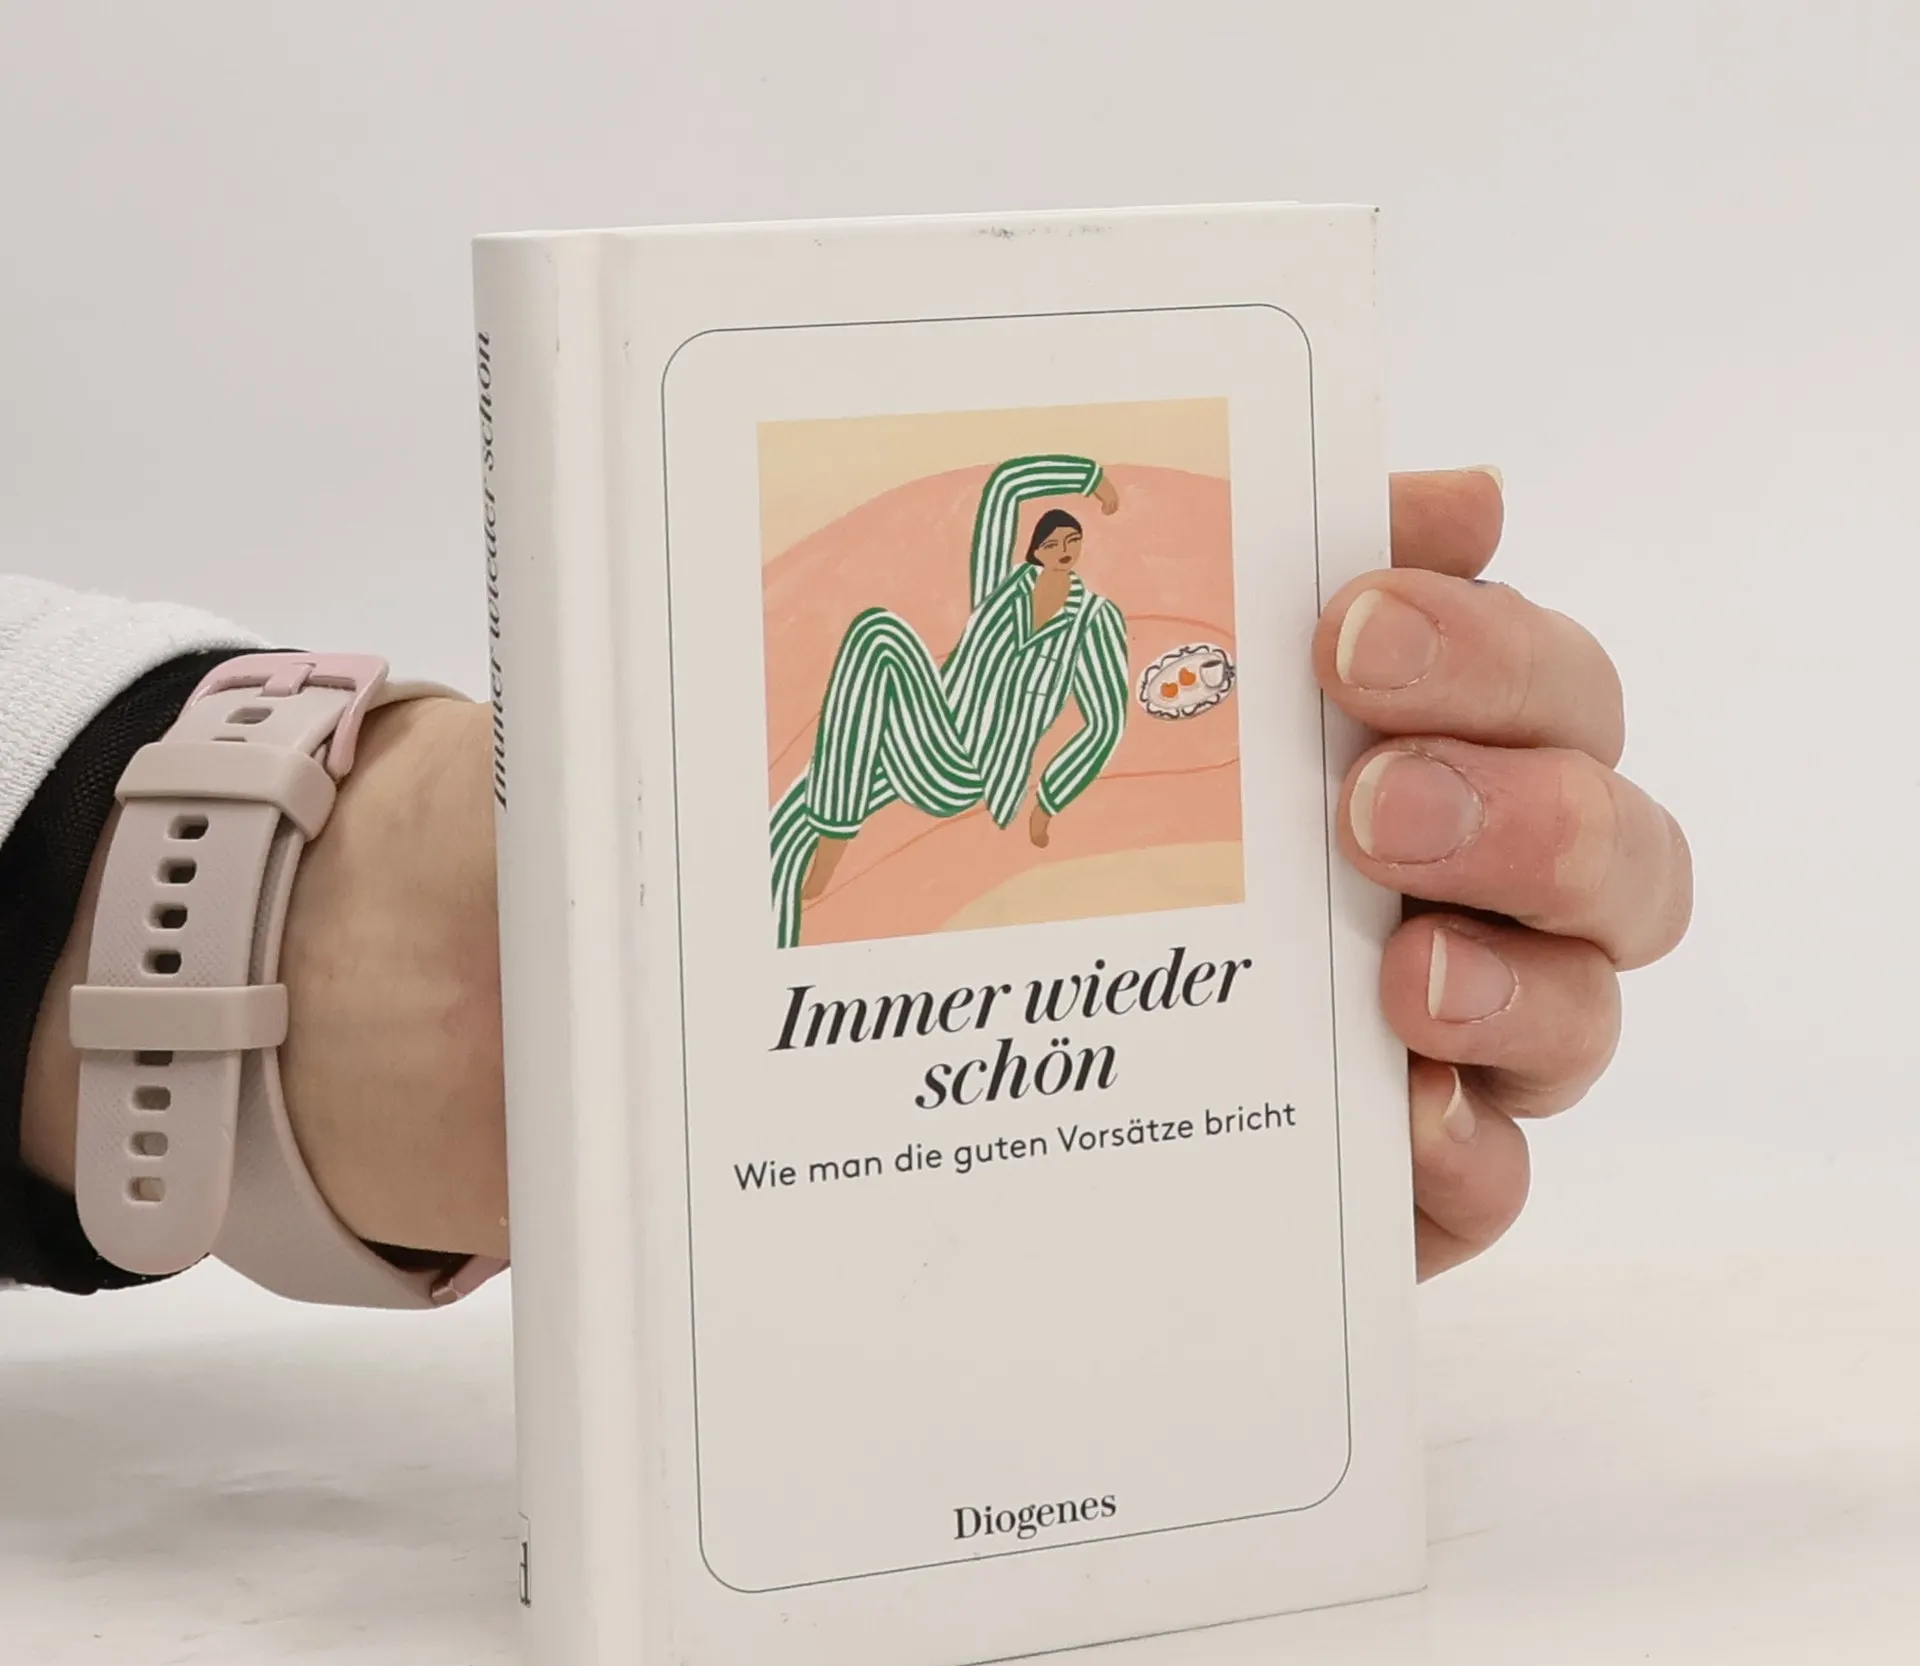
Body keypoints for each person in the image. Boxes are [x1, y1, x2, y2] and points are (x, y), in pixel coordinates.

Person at [0, 468, 1693, 1292]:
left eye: (1064, 546)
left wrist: (1055, 801)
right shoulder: (1002, 599)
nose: (1052, 559)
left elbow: (1090, 711)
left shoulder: (1083, 636)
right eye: (1045, 543)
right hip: (934, 749)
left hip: (992, 776)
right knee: (870, 656)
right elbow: (985, 537)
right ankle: (806, 845)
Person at [770, 453, 1130, 947]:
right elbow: (1005, 486)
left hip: (967, 769)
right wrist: (1089, 476)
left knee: (877, 635)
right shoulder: (998, 589)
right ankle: (777, 939)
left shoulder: (1093, 620)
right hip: (922, 729)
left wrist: (1049, 800)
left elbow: (1106, 722)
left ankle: (834, 836)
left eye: (1072, 540)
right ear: (1034, 551)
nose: (1063, 550)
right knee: (782, 835)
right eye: (1051, 543)